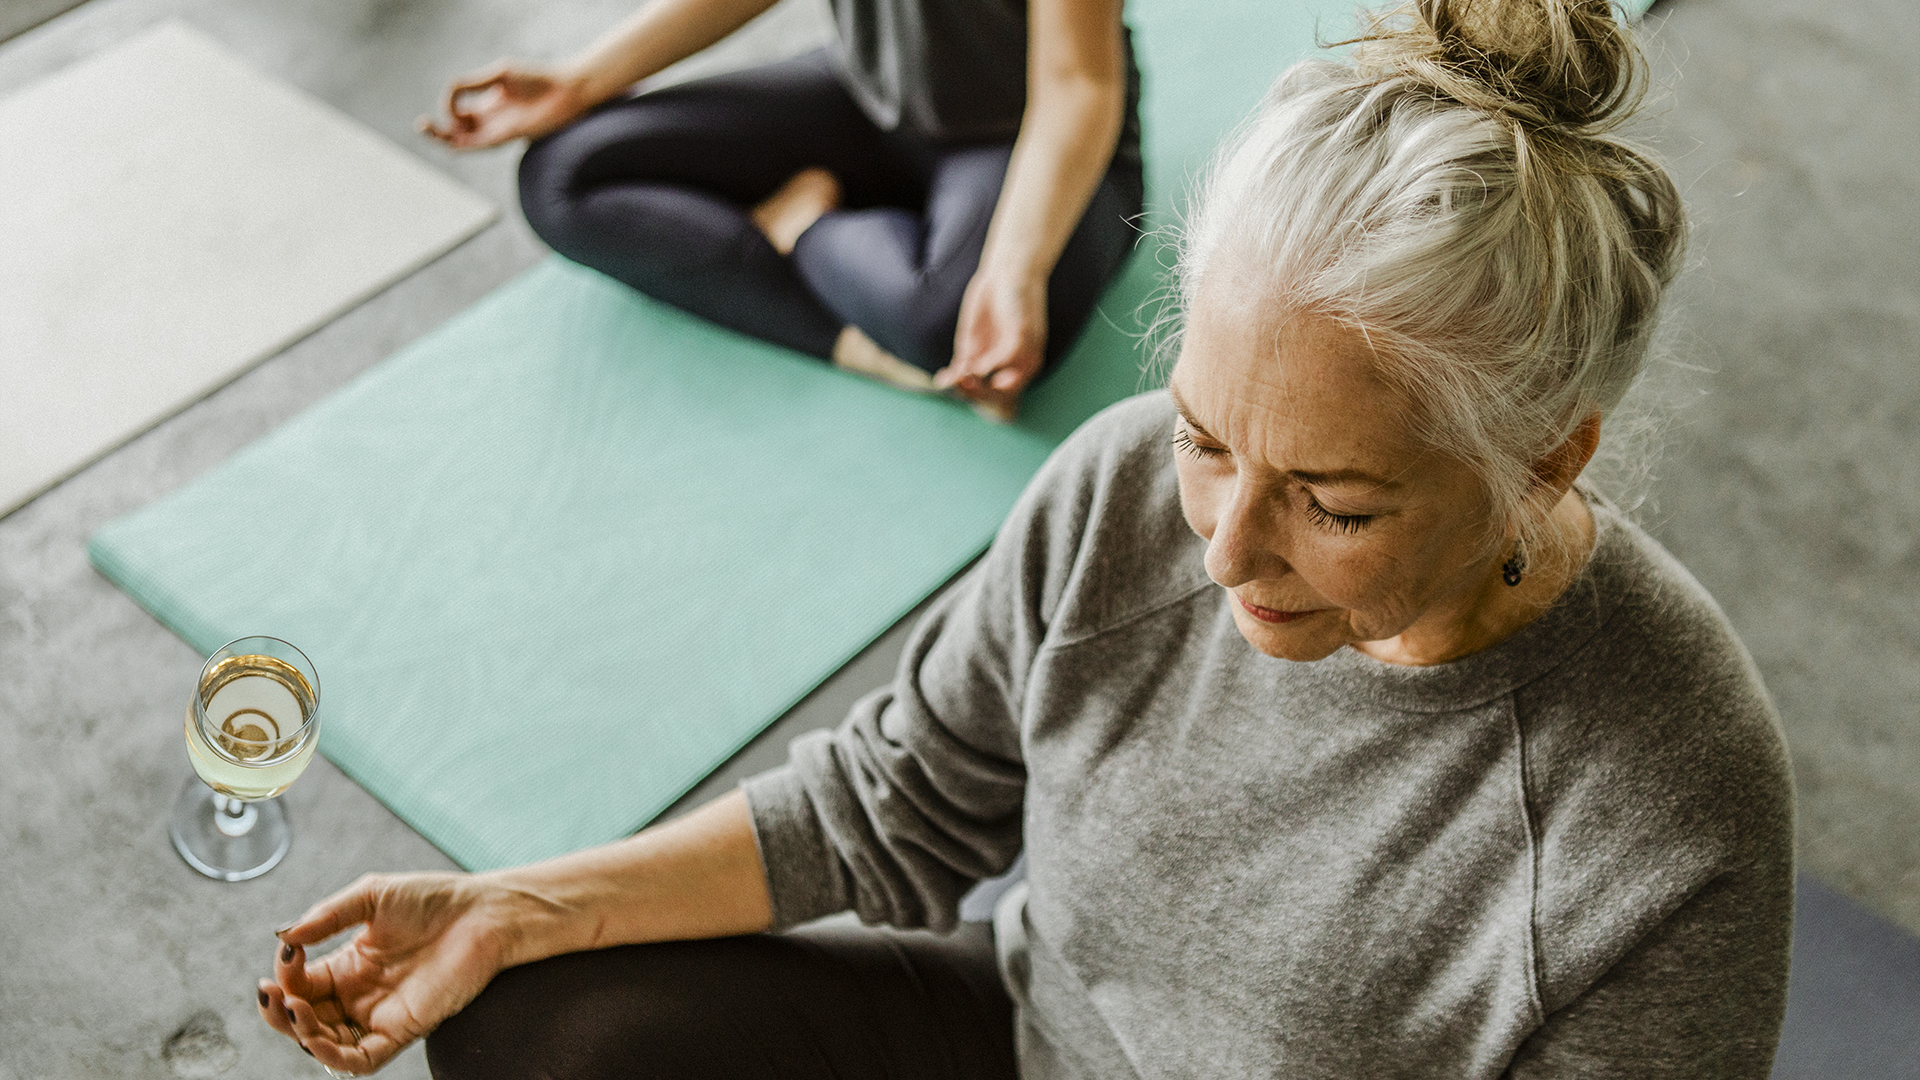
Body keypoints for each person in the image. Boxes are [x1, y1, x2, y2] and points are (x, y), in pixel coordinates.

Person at [262, 0, 1795, 1075]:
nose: (1221, 552)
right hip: (1023, 1037)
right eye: (1206, 439)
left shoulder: (1664, 821)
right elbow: (896, 801)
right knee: (533, 1021)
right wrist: (515, 905)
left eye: (1333, 506)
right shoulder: (1121, 493)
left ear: (1543, 458)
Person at [421, 0, 1144, 422]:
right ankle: (861, 331)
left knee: (951, 325)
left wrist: (1014, 269)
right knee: (562, 177)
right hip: (871, 101)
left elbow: (1077, 84)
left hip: (1029, 139)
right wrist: (579, 81)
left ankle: (808, 229)